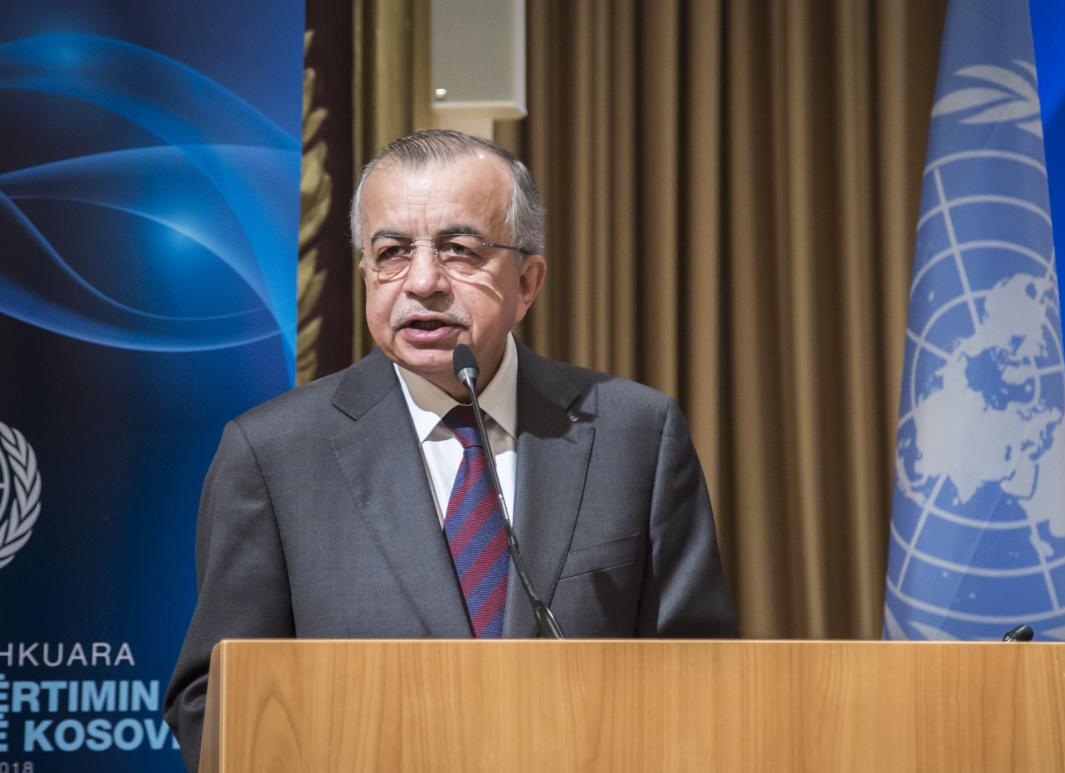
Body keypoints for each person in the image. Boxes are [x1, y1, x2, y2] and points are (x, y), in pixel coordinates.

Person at [163, 129, 736, 771]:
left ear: (527, 281)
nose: (423, 282)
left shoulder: (635, 434)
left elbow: (700, 679)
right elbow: (214, 699)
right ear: (366, 273)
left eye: (459, 251)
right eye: (392, 252)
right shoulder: (274, 454)